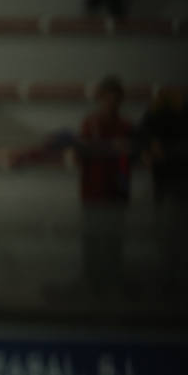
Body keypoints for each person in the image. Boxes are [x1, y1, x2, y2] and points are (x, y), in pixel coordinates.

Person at [136, 87, 188, 298]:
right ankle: (170, 276)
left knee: (177, 230)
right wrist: (148, 148)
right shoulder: (157, 115)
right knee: (168, 232)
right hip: (168, 182)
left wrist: (150, 148)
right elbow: (143, 135)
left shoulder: (186, 116)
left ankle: (176, 277)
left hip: (180, 182)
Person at [77, 75, 133, 298]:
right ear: (100, 99)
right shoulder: (90, 125)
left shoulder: (126, 126)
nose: (111, 103)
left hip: (115, 193)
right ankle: (92, 282)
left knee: (113, 240)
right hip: (93, 192)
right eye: (108, 98)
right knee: (92, 240)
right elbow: (81, 154)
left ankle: (112, 281)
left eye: (116, 99)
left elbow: (130, 158)